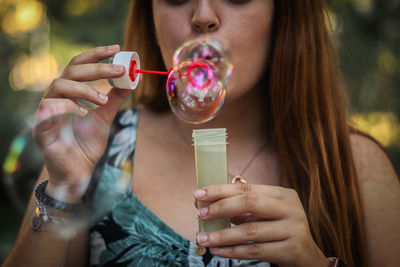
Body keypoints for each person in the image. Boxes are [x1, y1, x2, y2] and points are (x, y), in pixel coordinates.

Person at [3, 0, 400, 266]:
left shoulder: (355, 167)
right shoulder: (95, 147)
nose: (203, 15)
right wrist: (63, 190)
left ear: (284, 11)